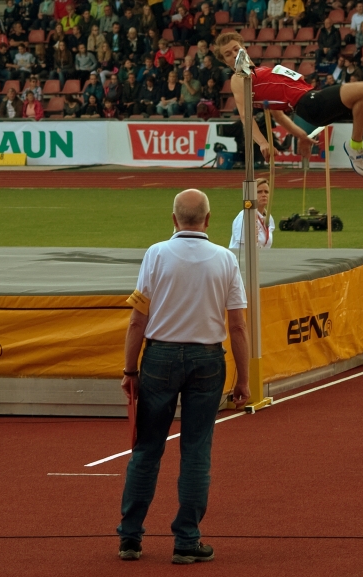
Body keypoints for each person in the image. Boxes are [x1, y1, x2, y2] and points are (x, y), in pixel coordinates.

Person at [117, 189, 250, 564]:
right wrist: (244, 379)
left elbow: (137, 318)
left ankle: (130, 537)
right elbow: (237, 326)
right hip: (207, 358)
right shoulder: (226, 259)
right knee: (196, 450)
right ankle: (186, 539)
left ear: (174, 219)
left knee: (146, 449)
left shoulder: (156, 254)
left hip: (159, 356)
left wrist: (130, 369)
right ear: (208, 220)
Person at [215, 31, 363, 181]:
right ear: (225, 61)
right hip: (309, 102)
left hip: (314, 105)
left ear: (244, 49)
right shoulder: (239, 79)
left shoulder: (262, 71)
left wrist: (302, 136)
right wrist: (263, 142)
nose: (234, 55)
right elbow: (245, 116)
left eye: (236, 49)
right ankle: (356, 147)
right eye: (228, 54)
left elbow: (279, 116)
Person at [229, 178, 275, 249]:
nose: (264, 195)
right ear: (251, 194)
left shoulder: (268, 217)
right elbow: (244, 248)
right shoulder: (245, 217)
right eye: (259, 192)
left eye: (266, 192)